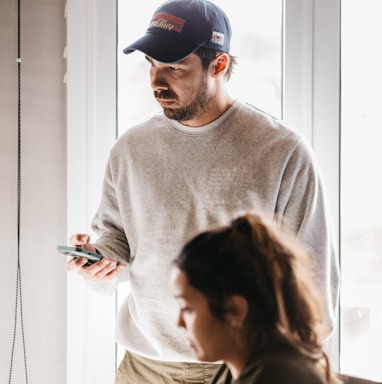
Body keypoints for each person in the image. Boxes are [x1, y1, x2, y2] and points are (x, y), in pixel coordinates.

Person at [65, 0, 339, 383]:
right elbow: (117, 242)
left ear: (219, 66)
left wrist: (294, 368)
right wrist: (98, 262)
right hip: (144, 366)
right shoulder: (130, 148)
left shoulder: (282, 150)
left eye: (174, 67)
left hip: (240, 367)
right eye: (152, 65)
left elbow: (313, 276)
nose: (157, 82)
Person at [171, 213, 342, 384]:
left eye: (187, 308)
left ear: (234, 310)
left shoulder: (278, 378)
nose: (179, 323)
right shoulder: (237, 367)